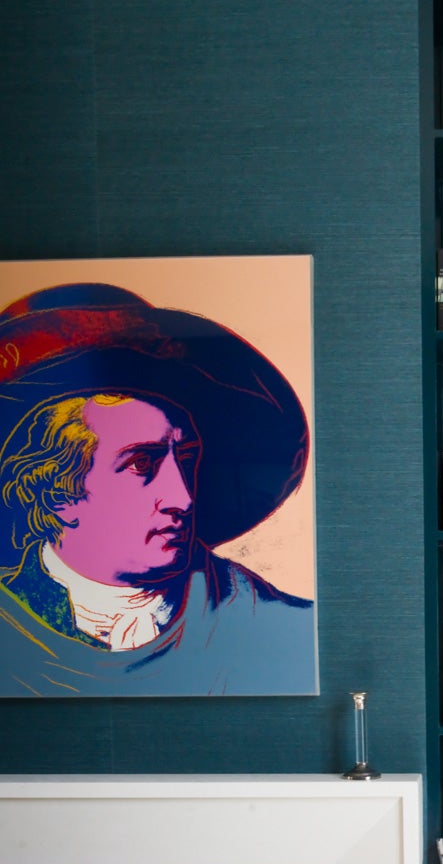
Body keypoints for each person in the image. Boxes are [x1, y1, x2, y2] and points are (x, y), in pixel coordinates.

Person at [0, 283, 315, 697]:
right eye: (141, 464)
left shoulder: (277, 626)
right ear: (56, 492)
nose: (182, 499)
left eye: (185, 458)